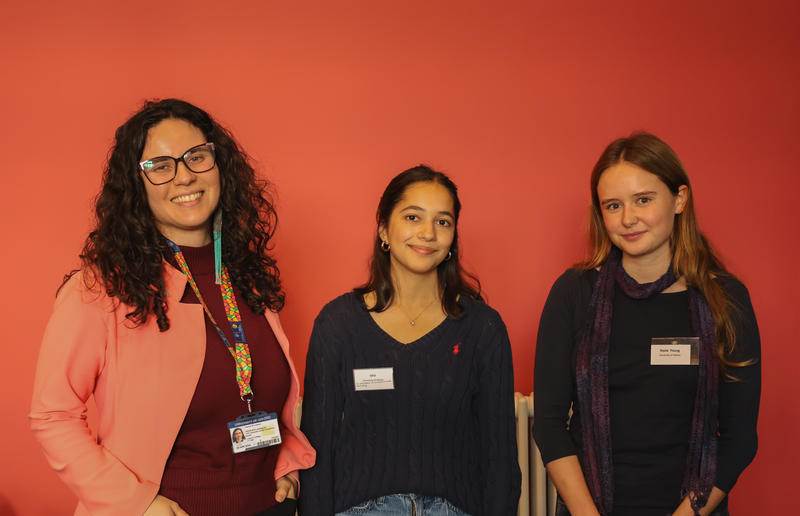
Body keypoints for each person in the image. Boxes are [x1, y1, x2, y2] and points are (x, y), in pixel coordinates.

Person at [29, 99, 315, 516]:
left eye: (197, 157)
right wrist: (135, 504)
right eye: (161, 165)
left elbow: (264, 396)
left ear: (219, 166)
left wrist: (287, 460)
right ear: (135, 182)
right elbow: (53, 415)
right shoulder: (102, 288)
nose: (184, 176)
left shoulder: (246, 278)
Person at [533, 133, 761, 516]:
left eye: (643, 200)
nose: (627, 219)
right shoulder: (574, 293)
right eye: (613, 205)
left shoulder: (726, 299)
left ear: (679, 199)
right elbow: (550, 425)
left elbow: (739, 441)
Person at [299, 166, 521, 516]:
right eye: (413, 217)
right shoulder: (338, 323)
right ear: (384, 229)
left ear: (452, 239)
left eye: (443, 221)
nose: (428, 233)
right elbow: (315, 448)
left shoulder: (483, 328)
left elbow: (500, 457)